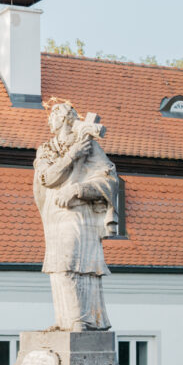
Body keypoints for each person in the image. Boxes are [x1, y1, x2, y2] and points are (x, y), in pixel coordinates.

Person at [33, 102, 120, 331]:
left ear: (64, 118)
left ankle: (83, 319)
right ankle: (65, 320)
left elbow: (109, 181)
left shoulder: (89, 146)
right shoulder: (46, 149)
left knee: (76, 263)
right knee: (58, 266)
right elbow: (48, 178)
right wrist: (73, 154)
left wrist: (78, 190)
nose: (49, 121)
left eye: (53, 116)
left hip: (80, 212)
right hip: (55, 213)